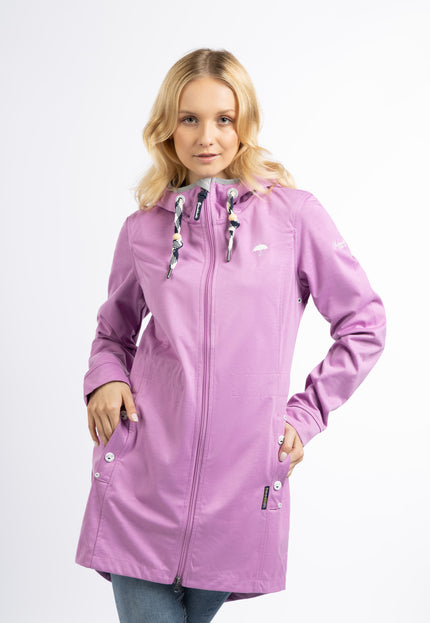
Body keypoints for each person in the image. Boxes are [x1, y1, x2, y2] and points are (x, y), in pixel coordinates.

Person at [75, 48, 387, 623]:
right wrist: (106, 379)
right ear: (167, 126)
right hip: (143, 475)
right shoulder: (143, 228)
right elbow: (113, 333)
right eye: (189, 119)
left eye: (224, 118)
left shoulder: (293, 217)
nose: (207, 136)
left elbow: (364, 323)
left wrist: (305, 415)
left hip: (241, 487)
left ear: (245, 122)